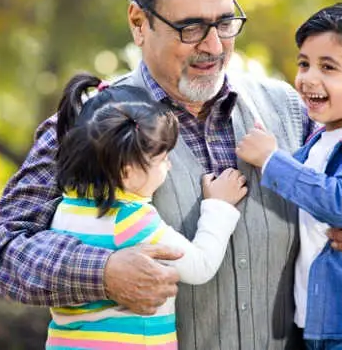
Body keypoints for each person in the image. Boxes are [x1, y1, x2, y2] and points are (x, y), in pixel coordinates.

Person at [0, 0, 342, 350]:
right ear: (138, 22)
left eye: (225, 22)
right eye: (191, 28)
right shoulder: (93, 125)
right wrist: (103, 273)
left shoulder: (291, 110)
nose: (214, 46)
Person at [237, 3, 342, 349]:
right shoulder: (321, 136)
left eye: (328, 67)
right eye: (304, 63)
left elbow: (340, 203)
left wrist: (272, 160)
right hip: (317, 324)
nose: (308, 78)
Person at [45, 72, 247, 349]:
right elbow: (200, 266)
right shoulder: (132, 220)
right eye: (162, 159)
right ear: (128, 172)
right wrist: (219, 206)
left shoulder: (65, 208)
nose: (169, 166)